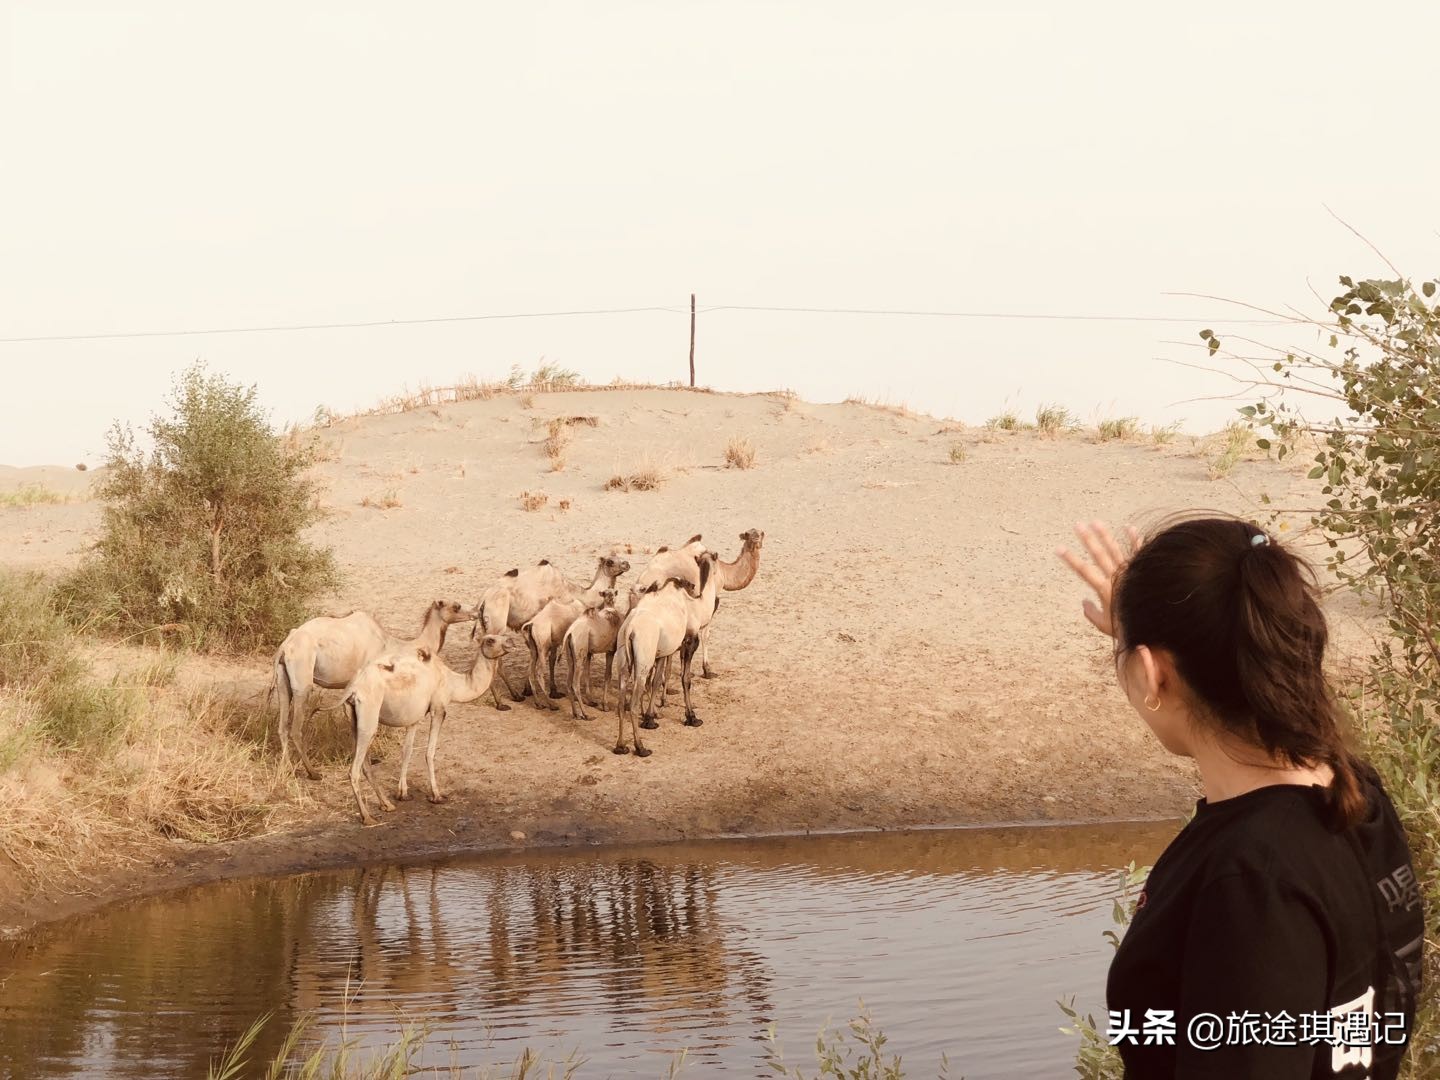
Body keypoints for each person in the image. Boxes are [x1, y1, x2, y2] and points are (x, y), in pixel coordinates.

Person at [1055, 515, 1423, 1079]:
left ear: (1153, 675)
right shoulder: (1352, 794)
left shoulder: (1253, 879)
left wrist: (1147, 643)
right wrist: (1142, 640)